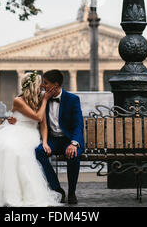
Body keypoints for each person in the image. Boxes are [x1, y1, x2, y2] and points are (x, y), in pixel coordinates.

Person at [0, 71, 62, 207]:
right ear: (33, 86)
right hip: (16, 131)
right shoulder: (19, 100)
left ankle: (25, 193)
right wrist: (44, 100)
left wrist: (44, 142)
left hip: (30, 134)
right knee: (9, 148)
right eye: (40, 85)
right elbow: (37, 117)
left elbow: (43, 123)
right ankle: (8, 194)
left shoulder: (40, 99)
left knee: (19, 152)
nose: (42, 87)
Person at [35, 70, 84, 205]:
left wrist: (74, 143)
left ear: (55, 85)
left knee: (73, 155)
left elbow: (78, 124)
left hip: (69, 140)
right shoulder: (43, 99)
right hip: (53, 140)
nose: (43, 86)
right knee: (39, 152)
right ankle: (57, 189)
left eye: (45, 83)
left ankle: (72, 192)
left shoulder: (72, 99)